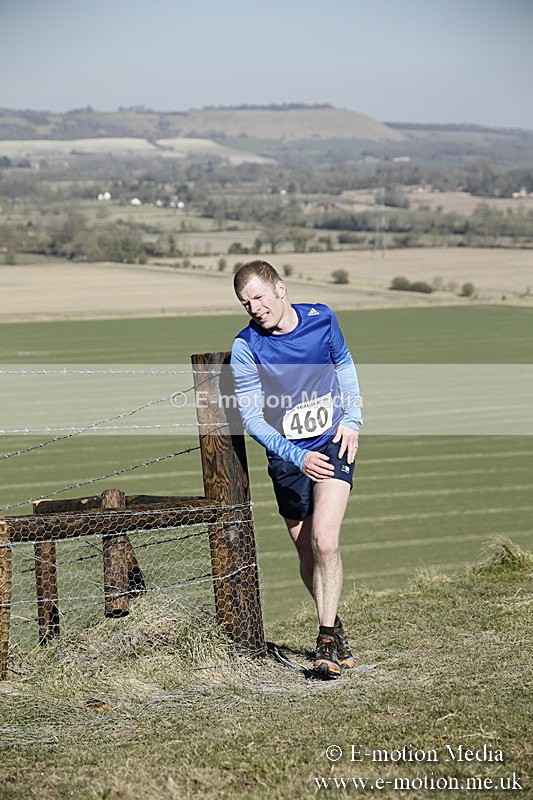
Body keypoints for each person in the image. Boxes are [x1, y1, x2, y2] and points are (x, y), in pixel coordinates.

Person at [230, 260, 362, 678]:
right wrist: (294, 455)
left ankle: (324, 639)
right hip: (288, 456)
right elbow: (251, 419)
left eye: (258, 297)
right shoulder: (246, 347)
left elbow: (344, 364)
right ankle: (335, 626)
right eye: (245, 302)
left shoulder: (322, 318)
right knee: (306, 549)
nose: (254, 308)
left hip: (332, 442)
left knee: (325, 541)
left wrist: (352, 419)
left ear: (280, 289)